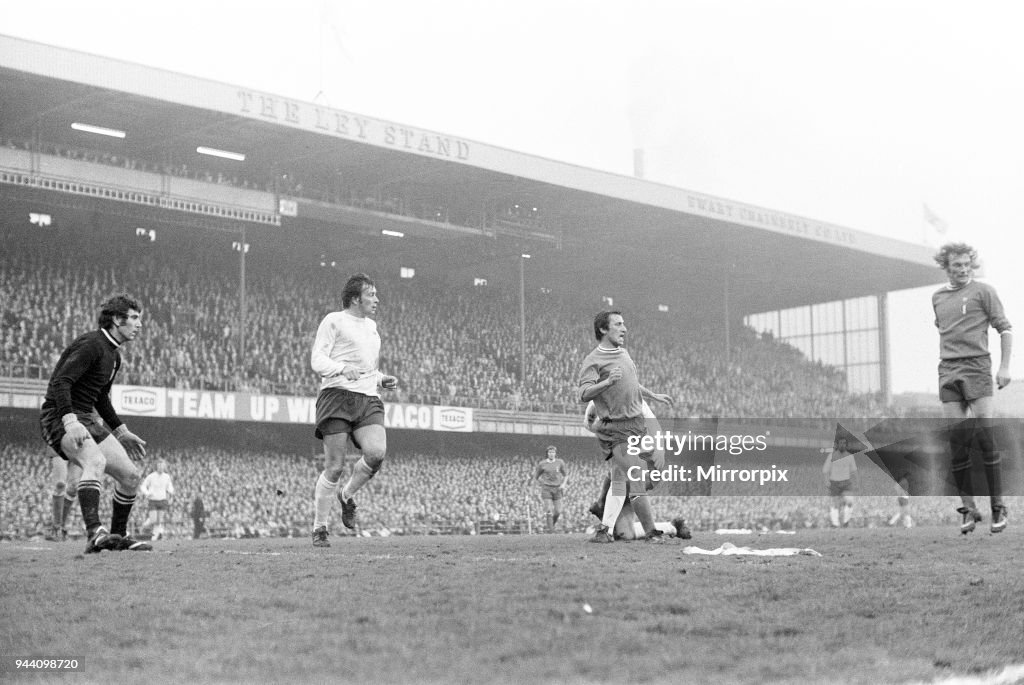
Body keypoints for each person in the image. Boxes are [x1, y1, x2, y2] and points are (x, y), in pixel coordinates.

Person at [38, 294, 152, 553]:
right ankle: (94, 534)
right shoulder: (91, 344)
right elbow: (61, 382)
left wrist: (122, 432)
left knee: (131, 476)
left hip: (87, 419)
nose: (139, 324)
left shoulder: (115, 356)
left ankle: (118, 536)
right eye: (134, 318)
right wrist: (70, 421)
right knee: (95, 462)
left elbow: (100, 397)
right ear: (116, 319)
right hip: (58, 416)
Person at [309, 273, 399, 547]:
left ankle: (346, 496)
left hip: (367, 398)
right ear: (355, 298)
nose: (377, 299)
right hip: (336, 396)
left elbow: (366, 368)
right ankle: (320, 528)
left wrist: (380, 378)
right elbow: (317, 360)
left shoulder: (372, 327)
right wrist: (340, 369)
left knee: (376, 453)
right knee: (334, 467)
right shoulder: (333, 320)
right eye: (371, 294)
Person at [932, 242, 1012, 534]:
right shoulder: (938, 297)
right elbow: (946, 329)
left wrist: (1004, 367)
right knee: (958, 444)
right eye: (957, 265)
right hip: (948, 370)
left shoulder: (984, 292)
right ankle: (968, 510)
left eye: (967, 264)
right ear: (947, 267)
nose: (964, 270)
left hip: (978, 368)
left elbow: (1005, 328)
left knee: (985, 438)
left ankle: (998, 508)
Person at [577, 310, 674, 543]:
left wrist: (653, 395)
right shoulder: (593, 361)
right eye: (618, 324)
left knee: (621, 481)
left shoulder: (623, 353)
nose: (624, 328)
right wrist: (607, 382)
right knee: (635, 476)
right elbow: (583, 393)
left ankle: (603, 530)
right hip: (617, 429)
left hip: (636, 426)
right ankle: (651, 532)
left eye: (624, 324)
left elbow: (631, 383)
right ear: (603, 329)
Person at [44, 446, 80, 541]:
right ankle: (56, 527)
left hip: (80, 445)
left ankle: (62, 526)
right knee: (60, 484)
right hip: (60, 441)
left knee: (74, 486)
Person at [532, 446, 568, 532]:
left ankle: (552, 525)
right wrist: (537, 487)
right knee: (548, 509)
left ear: (555, 453)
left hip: (557, 488)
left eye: (553, 452)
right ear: (547, 454)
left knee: (558, 511)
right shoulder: (542, 464)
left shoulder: (560, 462)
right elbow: (536, 477)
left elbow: (566, 475)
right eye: (550, 452)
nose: (551, 454)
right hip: (546, 488)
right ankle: (551, 530)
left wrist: (563, 484)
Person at [822, 437, 857, 527]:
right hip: (834, 482)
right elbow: (825, 470)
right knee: (835, 504)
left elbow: (853, 471)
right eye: (840, 443)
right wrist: (827, 482)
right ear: (837, 445)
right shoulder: (831, 456)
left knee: (849, 502)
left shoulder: (850, 456)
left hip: (846, 482)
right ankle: (835, 524)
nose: (842, 445)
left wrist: (856, 483)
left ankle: (846, 522)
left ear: (846, 445)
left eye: (844, 443)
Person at [140, 458, 174, 540]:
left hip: (163, 500)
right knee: (153, 520)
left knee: (159, 522)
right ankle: (144, 526)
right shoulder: (151, 476)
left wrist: (171, 493)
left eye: (162, 466)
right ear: (156, 467)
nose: (161, 468)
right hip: (153, 500)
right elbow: (143, 486)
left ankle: (154, 540)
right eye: (159, 466)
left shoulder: (167, 477)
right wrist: (147, 493)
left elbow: (169, 486)